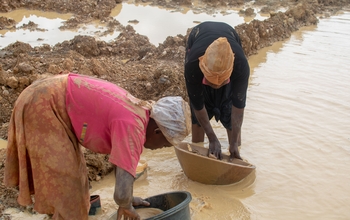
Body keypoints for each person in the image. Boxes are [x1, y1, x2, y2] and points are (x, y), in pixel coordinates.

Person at [4, 73, 191, 220]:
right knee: (67, 189)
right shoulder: (133, 127)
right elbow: (120, 193)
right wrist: (125, 205)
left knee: (77, 182)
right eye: (164, 144)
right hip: (45, 103)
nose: (159, 149)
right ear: (157, 131)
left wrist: (128, 200)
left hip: (51, 95)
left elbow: (122, 169)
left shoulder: (138, 112)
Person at [184, 21, 250, 161]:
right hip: (199, 35)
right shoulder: (193, 65)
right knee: (198, 118)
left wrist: (233, 144)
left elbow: (238, 107)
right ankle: (198, 152)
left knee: (228, 106)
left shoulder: (240, 65)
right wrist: (212, 138)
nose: (216, 85)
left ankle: (234, 148)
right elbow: (198, 105)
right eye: (211, 81)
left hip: (229, 33)